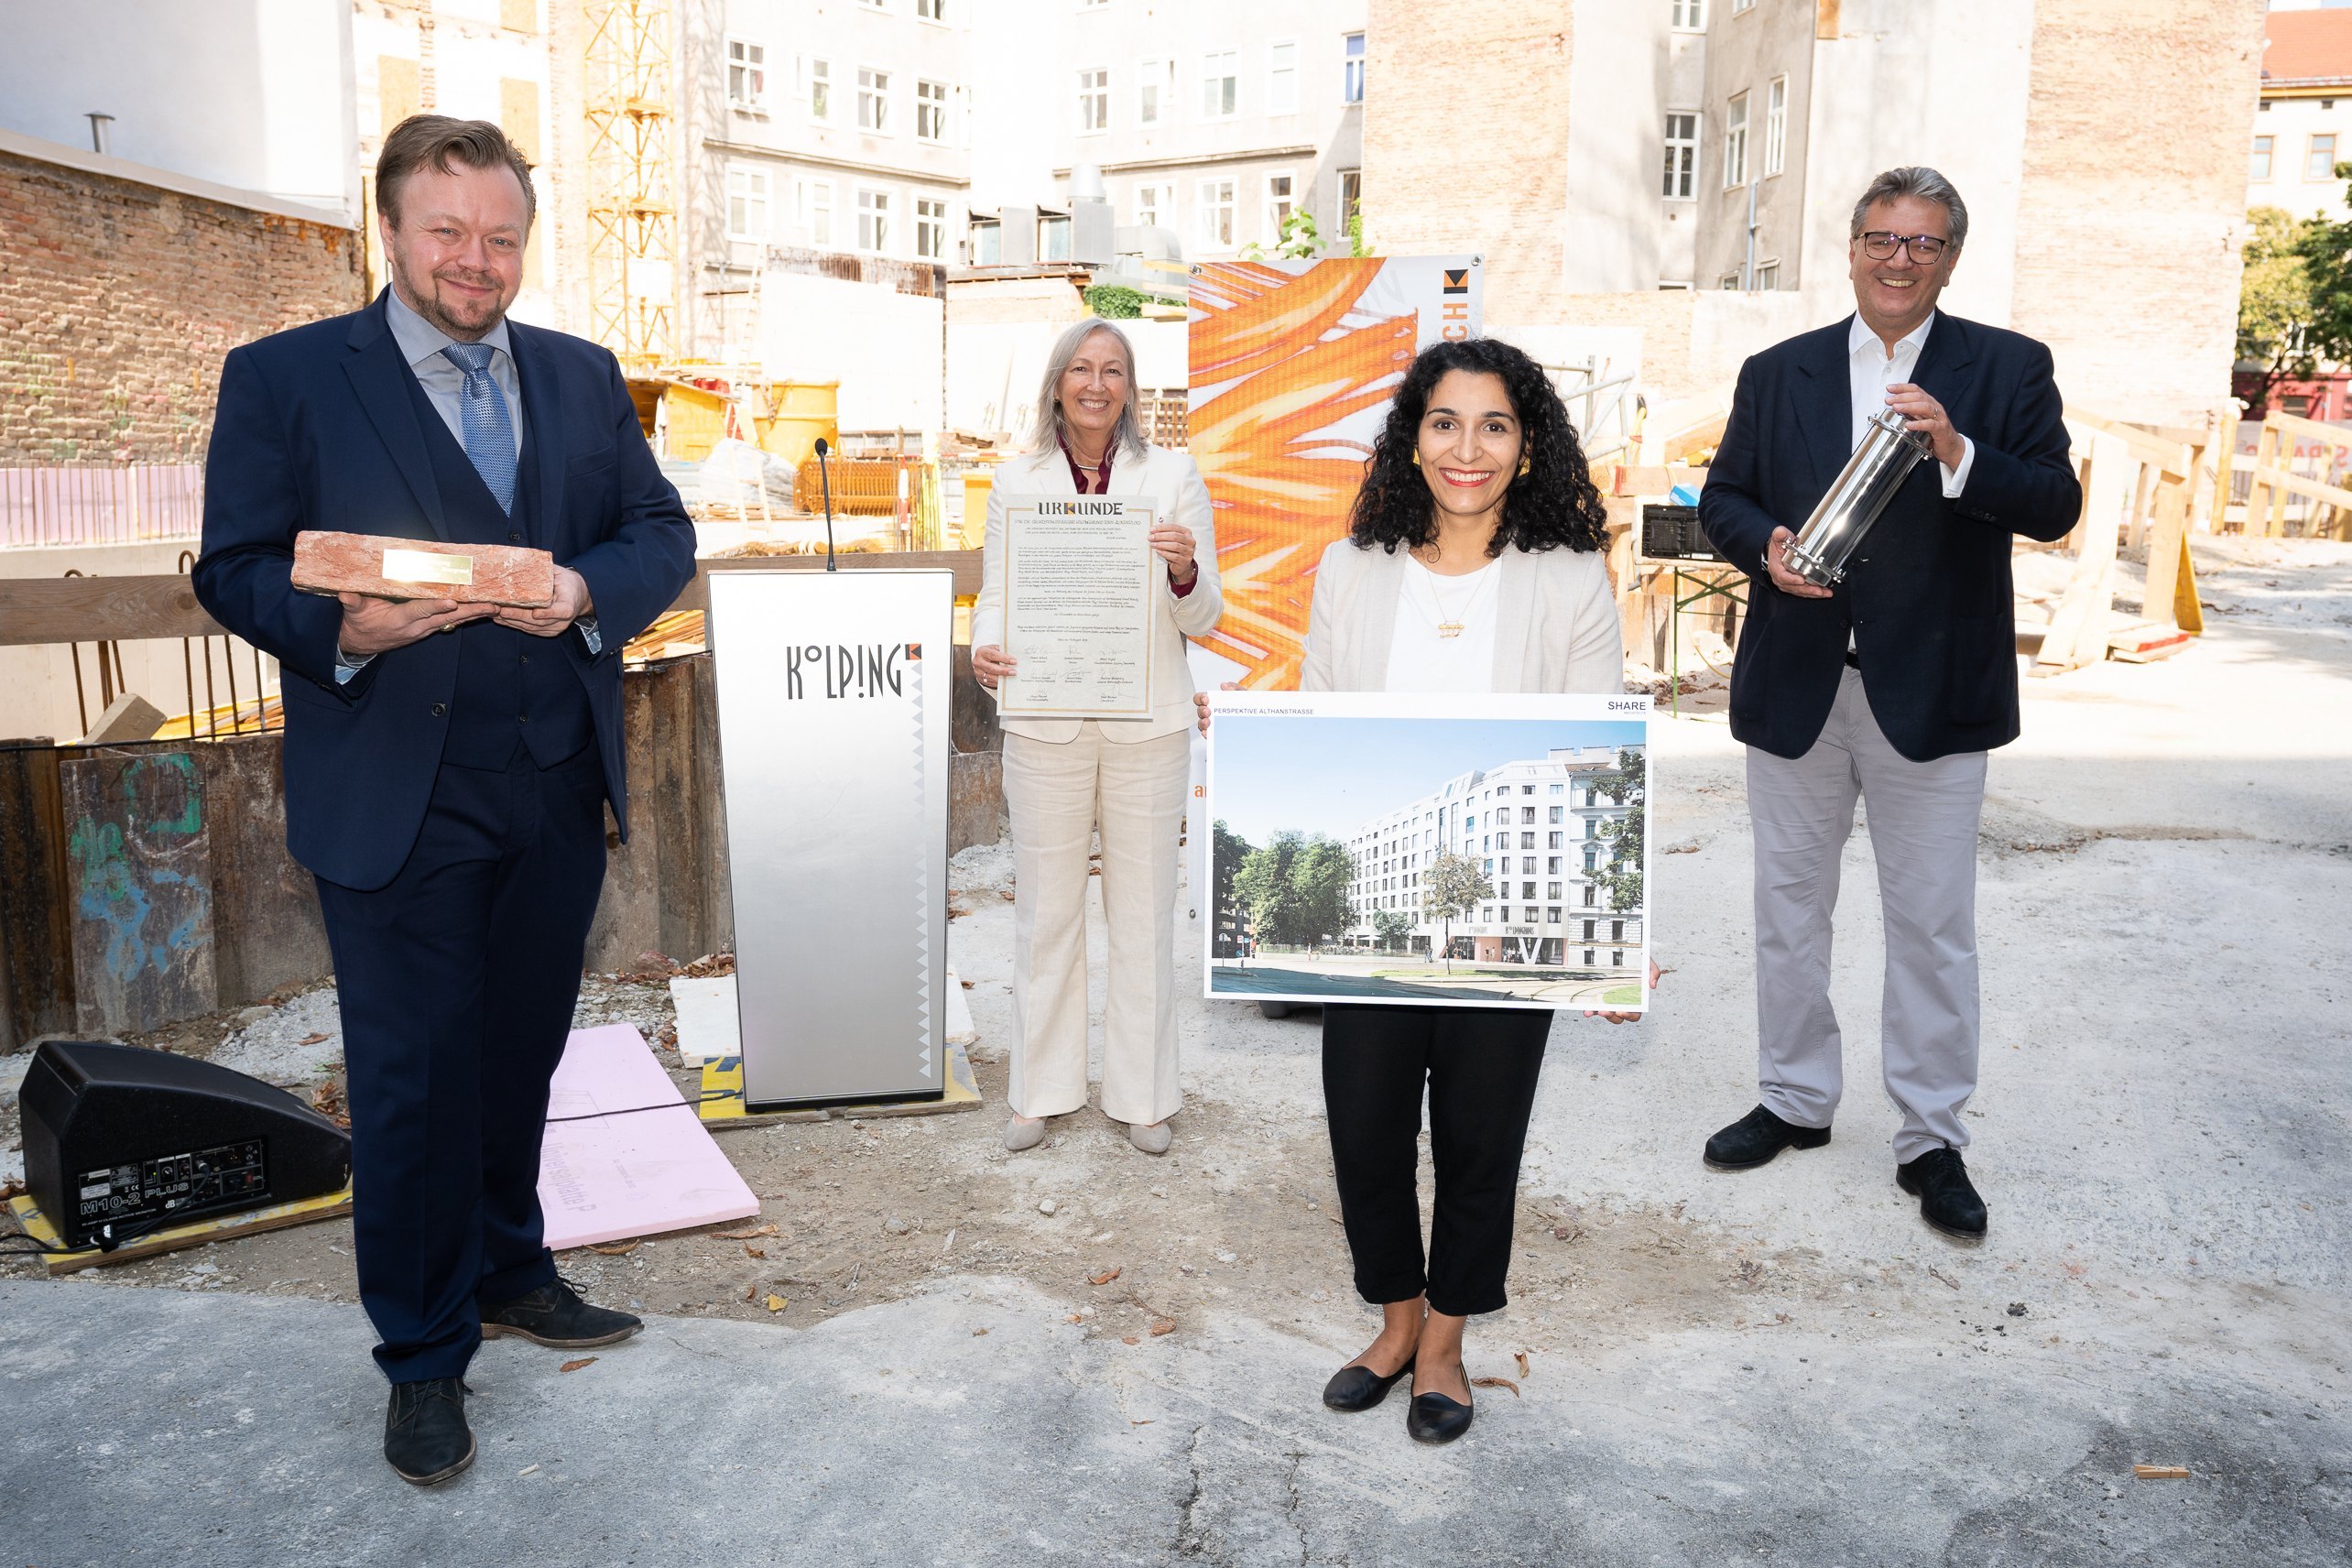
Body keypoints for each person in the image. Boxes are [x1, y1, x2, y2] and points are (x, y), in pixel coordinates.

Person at [193, 116, 696, 1486]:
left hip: (550, 786)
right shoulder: (290, 379)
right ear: (394, 233)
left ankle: (510, 1269)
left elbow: (660, 534)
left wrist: (587, 590)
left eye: (502, 238)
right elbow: (231, 565)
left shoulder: (585, 379)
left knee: (519, 1053)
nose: (477, 262)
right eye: (448, 233)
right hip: (393, 796)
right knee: (413, 1082)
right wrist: (344, 633)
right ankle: (421, 1357)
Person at [1206, 337, 1632, 1445]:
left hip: (1514, 915)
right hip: (1373, 907)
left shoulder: (1571, 574)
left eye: (1494, 424)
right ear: (1412, 435)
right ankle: (1393, 1321)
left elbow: (1596, 746)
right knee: (1367, 1128)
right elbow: (1319, 714)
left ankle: (1444, 1343)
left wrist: (1613, 937)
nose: (1468, 447)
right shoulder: (1354, 566)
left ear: (1527, 442)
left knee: (1483, 1141)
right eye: (1445, 421)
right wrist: (1255, 747)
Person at [1695, 167, 2080, 1240]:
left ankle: (1930, 1136)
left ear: (1951, 255)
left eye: (1922, 242)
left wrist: (1959, 450)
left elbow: (2055, 501)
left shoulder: (2005, 367)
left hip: (1935, 693)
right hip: (1799, 690)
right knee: (1788, 911)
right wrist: (1763, 547)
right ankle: (1795, 1098)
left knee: (1932, 928)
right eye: (1880, 237)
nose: (1898, 259)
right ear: (1852, 246)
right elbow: (1725, 494)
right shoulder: (1780, 372)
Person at [970, 319, 1223, 1156]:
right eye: (1081, 367)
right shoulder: (1015, 482)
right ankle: (1040, 1091)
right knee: (1046, 911)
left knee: (1144, 913)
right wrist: (985, 649)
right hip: (1046, 720)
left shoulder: (1175, 476)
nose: (1096, 382)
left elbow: (1204, 613)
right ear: (1056, 382)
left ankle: (1144, 1097)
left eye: (1113, 370)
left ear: (1130, 389)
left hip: (1147, 721)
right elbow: (997, 595)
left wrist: (1183, 567)